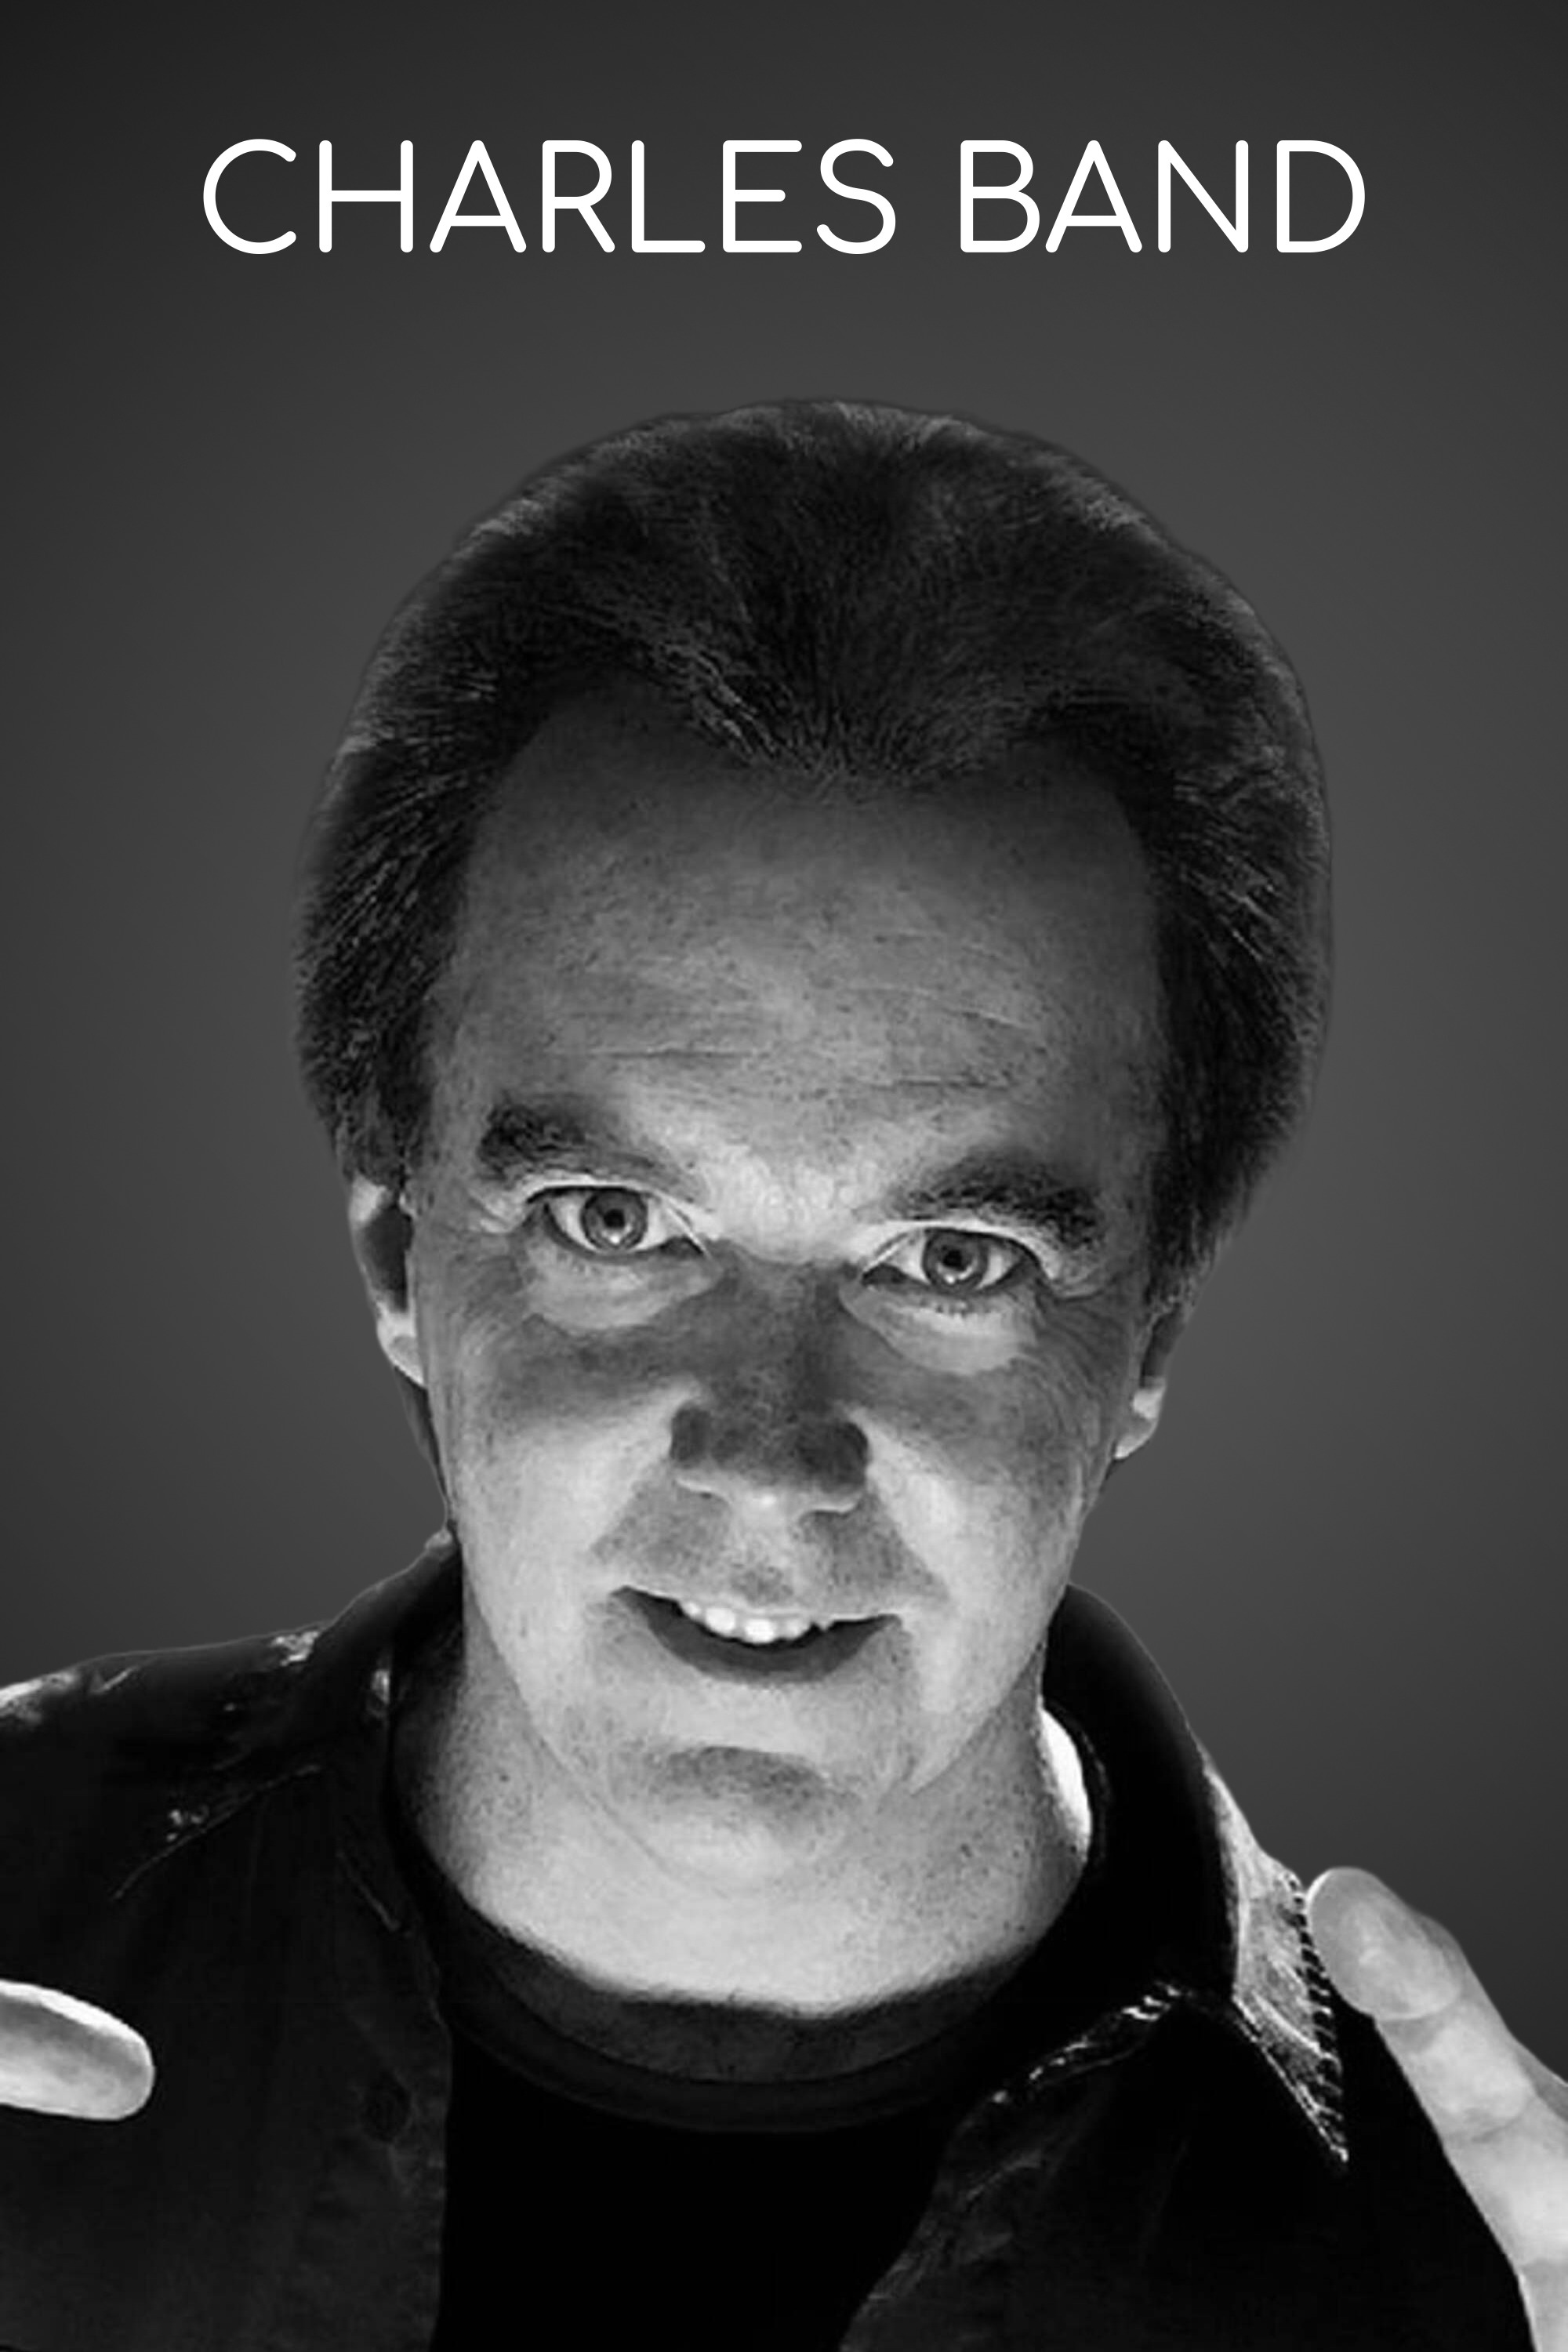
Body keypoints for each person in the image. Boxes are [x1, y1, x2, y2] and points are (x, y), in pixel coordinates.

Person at [0, 401, 1561, 2350]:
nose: (765, 1456)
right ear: (403, 1261)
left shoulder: (1484, 2248)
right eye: (614, 1223)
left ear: (1145, 1340)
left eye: (952, 1260)